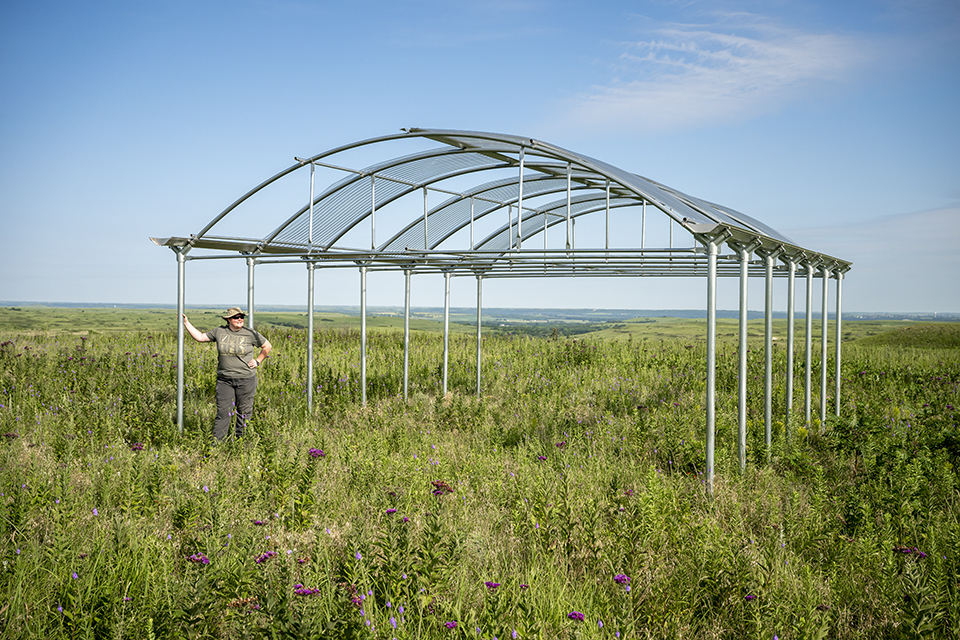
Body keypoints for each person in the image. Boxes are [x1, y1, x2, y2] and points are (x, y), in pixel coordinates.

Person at [182, 307, 272, 442]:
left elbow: (267, 346)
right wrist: (186, 323)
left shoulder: (250, 333)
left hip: (246, 379)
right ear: (229, 319)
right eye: (236, 317)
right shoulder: (219, 331)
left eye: (242, 317)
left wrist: (258, 361)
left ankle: (241, 443)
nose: (240, 319)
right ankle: (218, 444)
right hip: (225, 380)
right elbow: (200, 337)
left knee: (244, 412)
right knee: (223, 412)